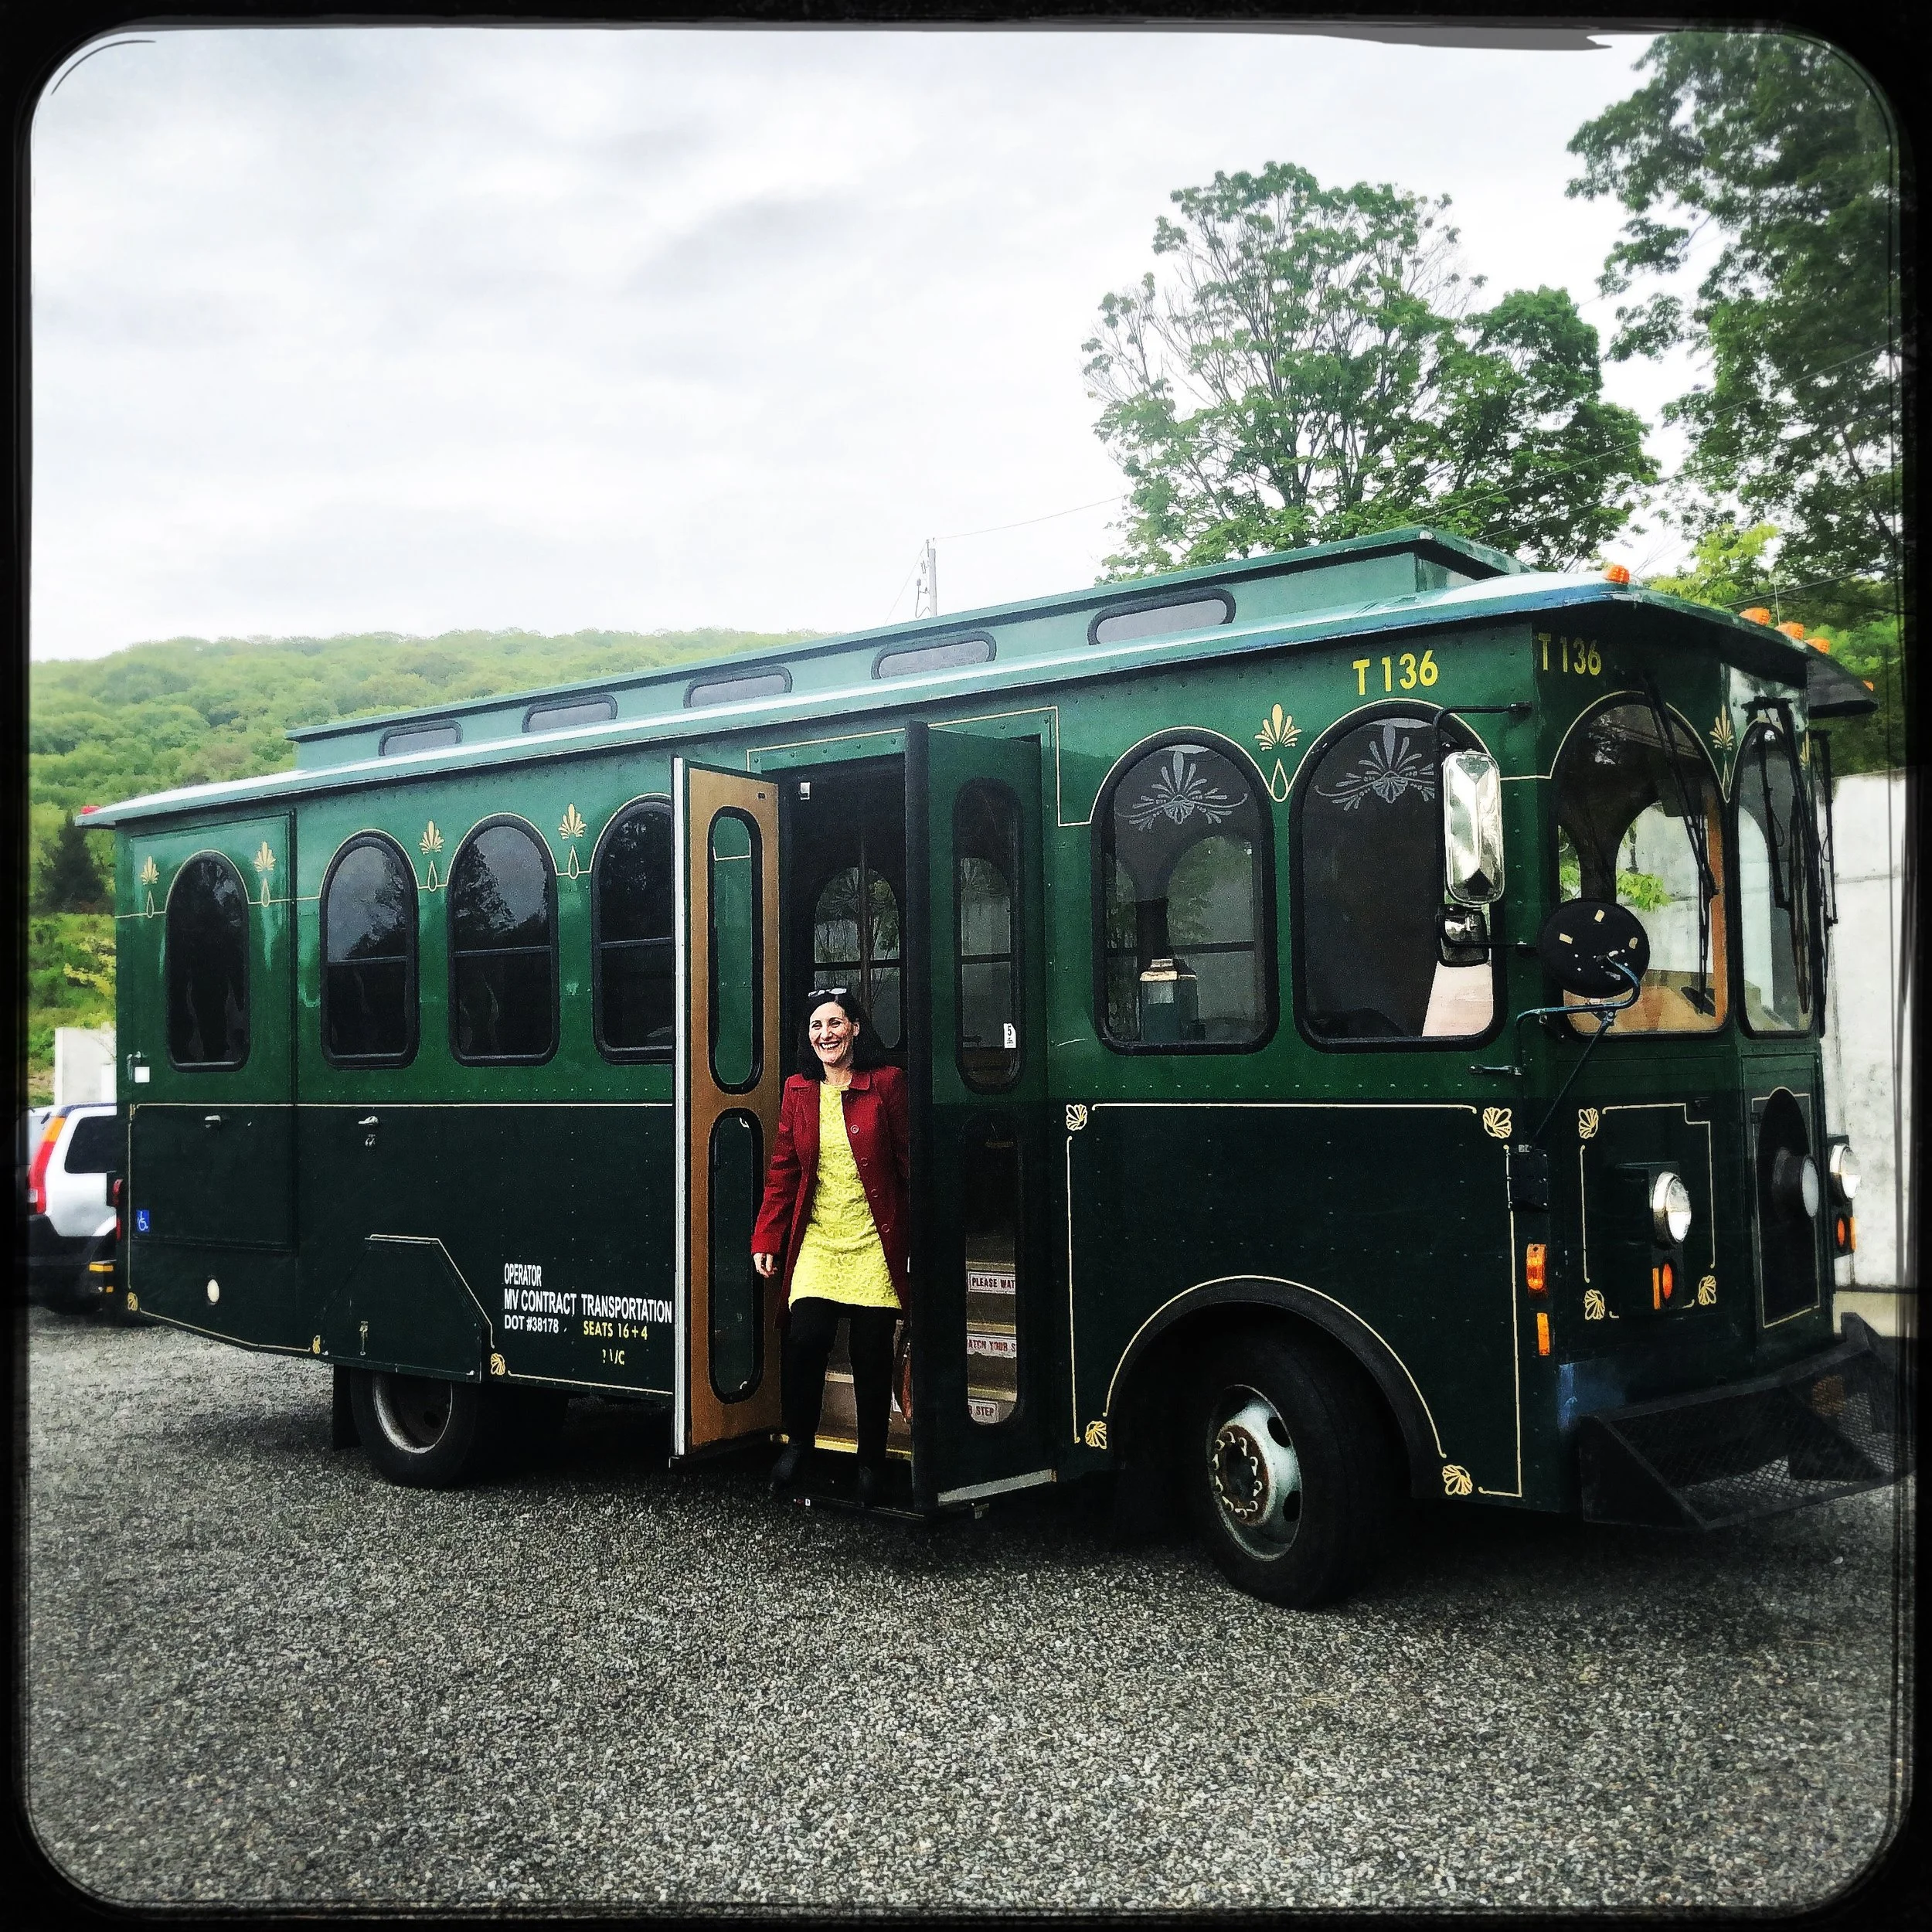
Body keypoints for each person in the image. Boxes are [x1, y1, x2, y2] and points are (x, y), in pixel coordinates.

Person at [751, 989, 910, 1508]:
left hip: (874, 1241)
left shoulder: (886, 1084)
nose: (826, 1034)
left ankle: (871, 1464)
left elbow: (911, 1162)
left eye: (836, 1023)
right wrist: (767, 1237)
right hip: (818, 1240)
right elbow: (783, 1170)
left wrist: (921, 1239)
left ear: (856, 1029)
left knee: (870, 1356)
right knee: (806, 1338)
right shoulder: (799, 1090)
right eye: (817, 1025)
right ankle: (800, 1445)